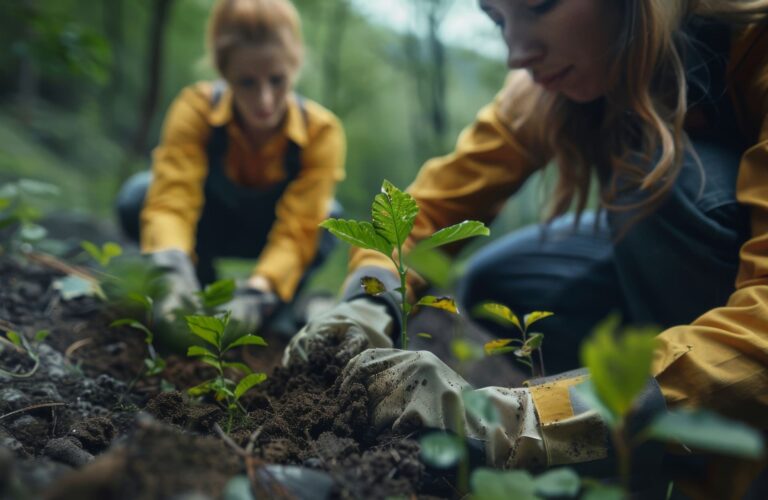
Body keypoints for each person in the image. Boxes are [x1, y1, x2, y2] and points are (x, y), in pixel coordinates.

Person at [283, 0, 768, 496]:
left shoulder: (755, 42)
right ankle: (615, 432)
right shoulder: (543, 86)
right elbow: (428, 210)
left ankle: (703, 461)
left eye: (539, 5)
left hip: (747, 341)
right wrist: (366, 301)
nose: (516, 52)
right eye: (497, 18)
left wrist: (527, 421)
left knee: (659, 183)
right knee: (506, 278)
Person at [116, 0, 345, 343]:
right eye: (247, 82)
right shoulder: (196, 109)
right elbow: (172, 199)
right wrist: (171, 271)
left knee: (328, 219)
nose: (265, 100)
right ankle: (194, 284)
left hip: (269, 235)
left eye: (277, 80)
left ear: (294, 66)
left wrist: (257, 292)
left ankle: (276, 309)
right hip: (208, 224)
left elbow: (298, 230)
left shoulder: (321, 131)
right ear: (225, 73)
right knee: (138, 195)